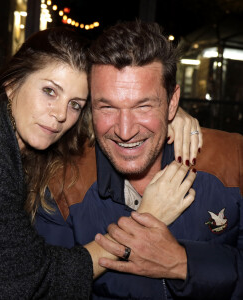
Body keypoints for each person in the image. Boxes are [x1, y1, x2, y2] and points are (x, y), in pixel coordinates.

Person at [0, 26, 200, 299]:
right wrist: (143, 223)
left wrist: (170, 113)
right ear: (12, 83)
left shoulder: (16, 140)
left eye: (75, 104)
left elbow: (114, 110)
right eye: (49, 91)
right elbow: (30, 284)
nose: (60, 114)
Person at [35, 21, 243, 299]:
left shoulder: (232, 160)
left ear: (172, 103)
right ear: (89, 107)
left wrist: (183, 263)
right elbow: (46, 289)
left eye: (143, 105)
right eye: (107, 106)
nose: (125, 130)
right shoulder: (61, 185)